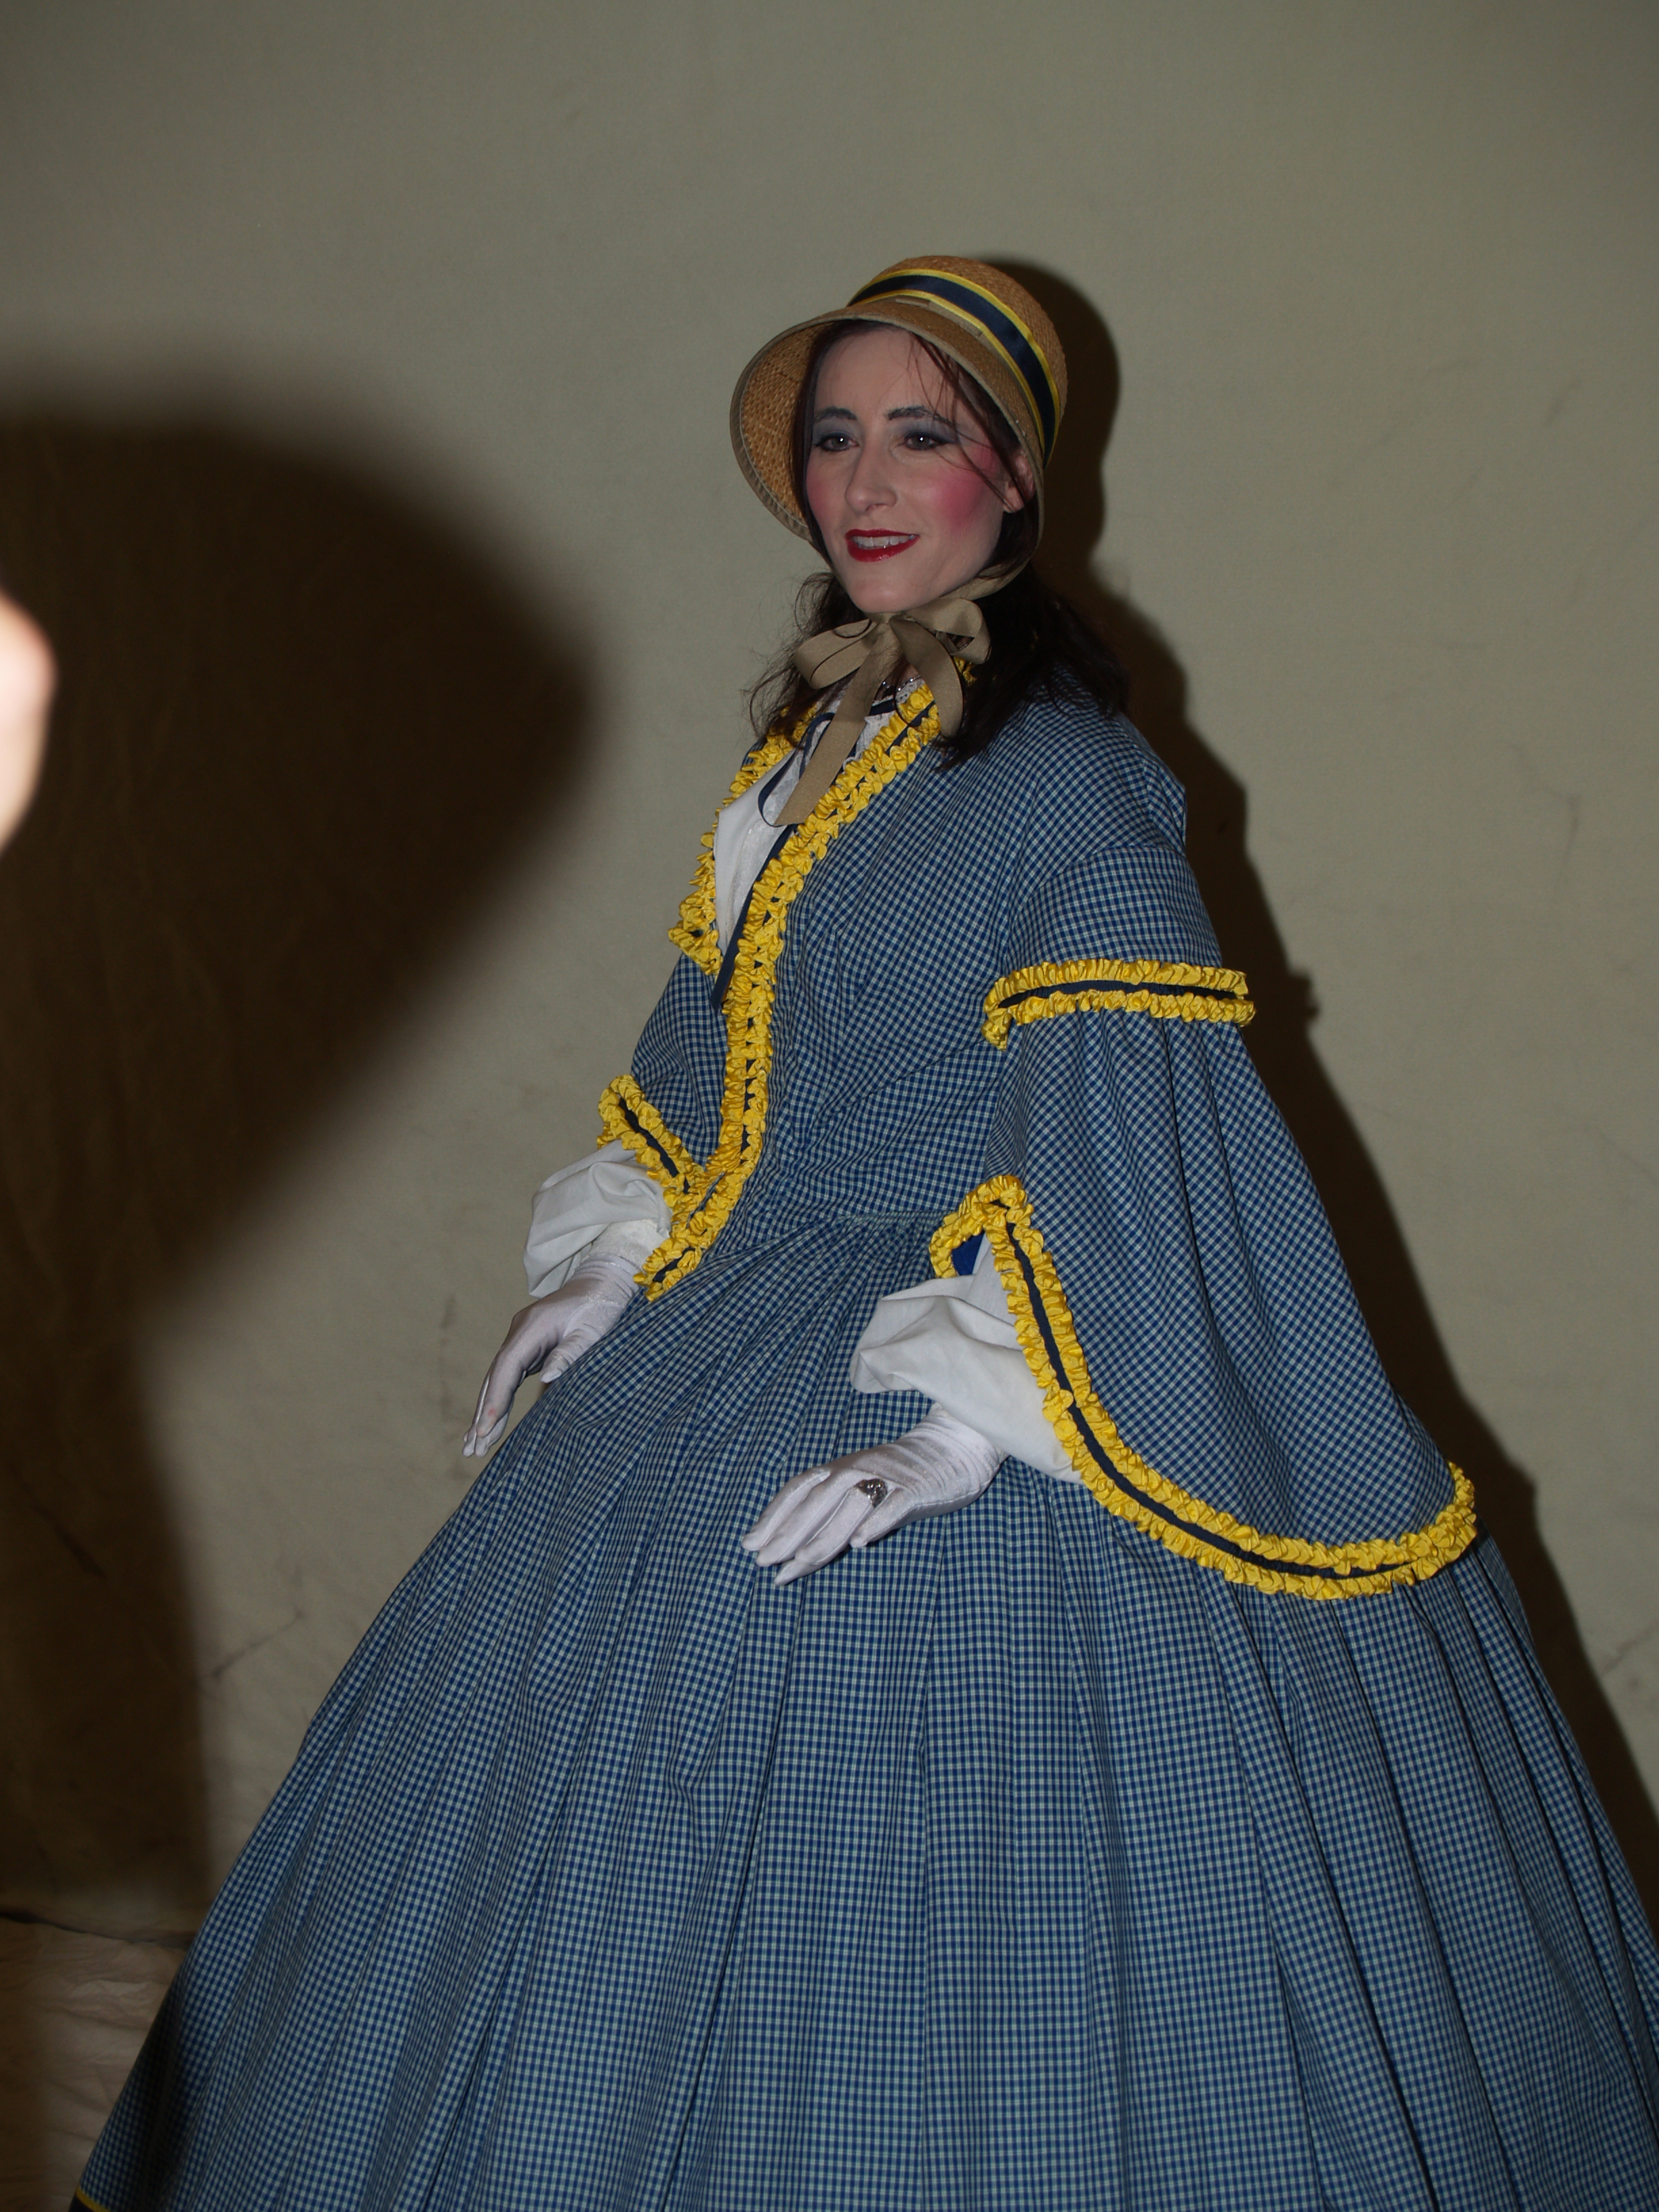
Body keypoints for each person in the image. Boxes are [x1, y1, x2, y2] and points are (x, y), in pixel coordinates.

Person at [79, 260, 1659, 2210]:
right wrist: (617, 1253)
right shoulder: (818, 759)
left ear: (1016, 475)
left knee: (967, 1874)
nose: (868, 479)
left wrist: (971, 1423)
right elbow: (714, 1050)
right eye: (836, 437)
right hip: (733, 1327)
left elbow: (1134, 1138)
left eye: (922, 432)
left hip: (974, 1349)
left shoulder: (1068, 783)